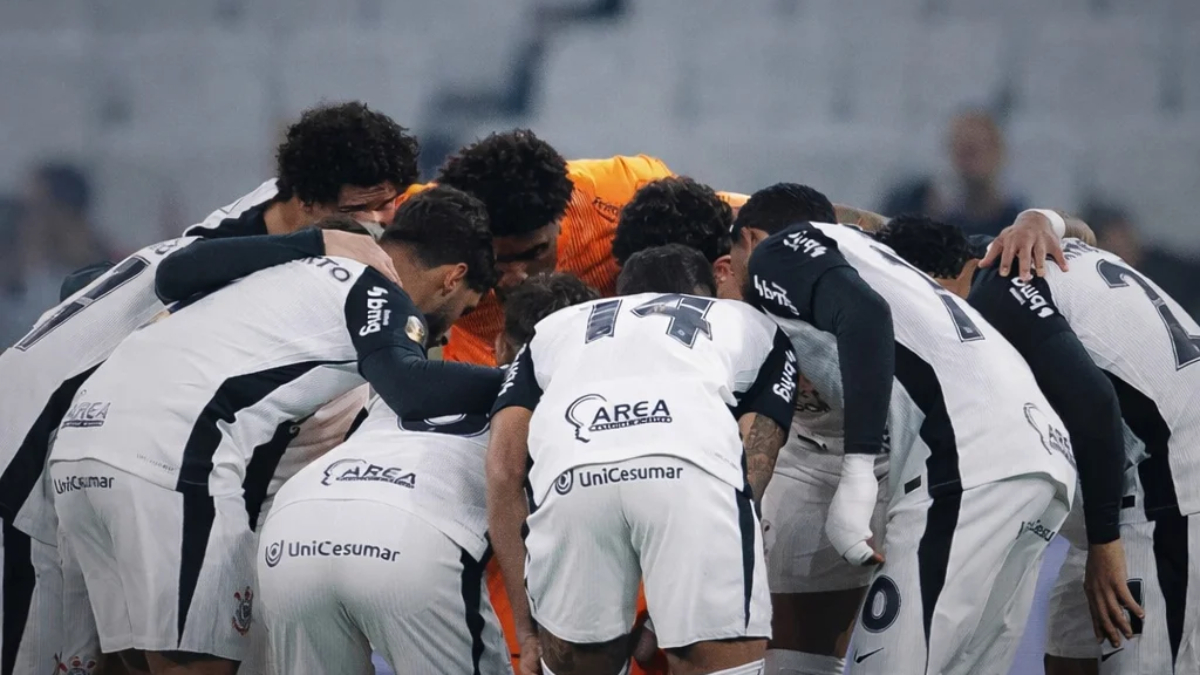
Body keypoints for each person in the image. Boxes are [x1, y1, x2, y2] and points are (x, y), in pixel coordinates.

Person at [0, 101, 419, 675]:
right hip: (28, 445)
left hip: (79, 443)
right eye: (361, 210)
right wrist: (318, 244)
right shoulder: (249, 254)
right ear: (306, 204)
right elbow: (170, 275)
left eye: (389, 203)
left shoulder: (258, 224)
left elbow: (89, 283)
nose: (379, 222)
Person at [48, 188, 501, 675]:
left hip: (79, 446)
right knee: (199, 664)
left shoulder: (281, 266)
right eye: (465, 309)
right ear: (453, 278)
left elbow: (171, 273)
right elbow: (410, 387)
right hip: (168, 459)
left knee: (135, 665)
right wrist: (530, 378)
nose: (448, 332)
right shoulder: (377, 286)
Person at [734, 186, 1078, 675]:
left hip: (965, 458)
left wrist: (857, 472)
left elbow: (865, 314)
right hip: (1041, 454)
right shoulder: (878, 255)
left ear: (749, 238)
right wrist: (1045, 217)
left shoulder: (777, 251)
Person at [877, 215, 1200, 675]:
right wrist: (1043, 217)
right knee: (1069, 650)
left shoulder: (993, 294)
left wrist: (1105, 542)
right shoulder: (999, 253)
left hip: (1170, 486)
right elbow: (1082, 231)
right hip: (1136, 472)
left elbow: (1094, 404)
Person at [257, 272, 598, 675]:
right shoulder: (561, 413)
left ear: (500, 344)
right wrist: (530, 631)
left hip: (296, 524)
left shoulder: (413, 384)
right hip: (413, 544)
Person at [488, 243, 798, 675]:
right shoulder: (749, 323)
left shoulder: (553, 328)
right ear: (707, 291)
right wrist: (668, 595)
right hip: (691, 476)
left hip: (574, 479)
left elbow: (504, 469)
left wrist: (527, 629)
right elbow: (753, 464)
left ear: (619, 294)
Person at [1083, 200, 1200, 321]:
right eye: (1109, 238)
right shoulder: (1096, 286)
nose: (1121, 242)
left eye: (1123, 234)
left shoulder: (1165, 267)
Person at [943, 110, 1026, 237]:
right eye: (964, 153)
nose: (970, 163)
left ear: (997, 152)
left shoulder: (1019, 225)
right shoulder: (944, 227)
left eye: (975, 151)